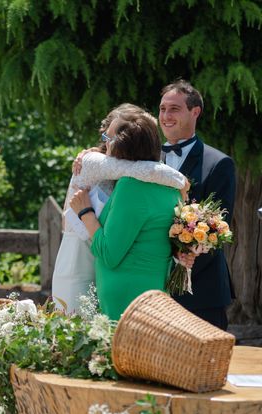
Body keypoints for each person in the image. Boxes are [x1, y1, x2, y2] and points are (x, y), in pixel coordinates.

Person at [52, 105, 187, 314]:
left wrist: (85, 211)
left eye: (108, 138)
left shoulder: (132, 185)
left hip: (122, 291)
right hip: (153, 293)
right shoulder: (169, 187)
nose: (103, 144)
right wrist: (177, 179)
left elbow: (109, 253)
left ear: (124, 144)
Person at [159, 80, 236, 330]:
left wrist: (183, 261)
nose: (166, 116)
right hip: (151, 289)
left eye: (174, 109)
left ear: (195, 112)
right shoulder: (147, 161)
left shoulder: (218, 164)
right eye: (162, 109)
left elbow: (218, 229)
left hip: (201, 291)